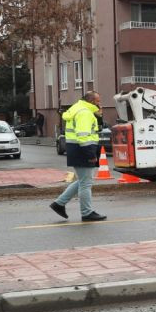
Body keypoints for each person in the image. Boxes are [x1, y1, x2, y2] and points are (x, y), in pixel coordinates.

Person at [50, 92, 106, 222]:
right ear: (92, 101)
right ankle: (87, 213)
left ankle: (59, 204)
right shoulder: (84, 113)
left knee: (82, 180)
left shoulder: (78, 109)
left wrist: (99, 116)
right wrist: (90, 154)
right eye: (98, 101)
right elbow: (83, 135)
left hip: (76, 149)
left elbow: (96, 129)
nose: (99, 103)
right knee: (86, 183)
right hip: (83, 150)